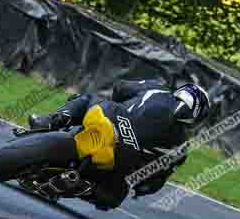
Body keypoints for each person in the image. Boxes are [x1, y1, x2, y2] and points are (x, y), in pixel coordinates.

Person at [27, 79, 211, 210]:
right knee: (113, 197)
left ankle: (49, 121)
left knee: (87, 98)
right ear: (197, 119)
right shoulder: (182, 147)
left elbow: (121, 87)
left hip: (109, 119)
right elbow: (151, 182)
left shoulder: (156, 88)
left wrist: (119, 102)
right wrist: (138, 185)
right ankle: (83, 186)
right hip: (120, 161)